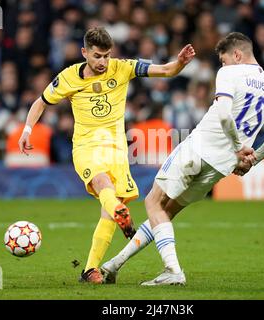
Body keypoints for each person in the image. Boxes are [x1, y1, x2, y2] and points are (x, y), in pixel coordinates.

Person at [101, 32, 264, 286]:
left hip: (199, 148)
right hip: (222, 166)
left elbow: (223, 115)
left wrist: (237, 147)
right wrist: (250, 159)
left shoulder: (230, 73)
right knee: (165, 213)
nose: (222, 65)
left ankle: (173, 270)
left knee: (154, 202)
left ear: (236, 55)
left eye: (223, 60)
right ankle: (114, 265)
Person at [18, 27, 195, 284]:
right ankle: (118, 211)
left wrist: (180, 62)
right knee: (103, 185)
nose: (103, 62)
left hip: (117, 150)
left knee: (107, 209)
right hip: (87, 146)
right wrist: (27, 129)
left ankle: (91, 268)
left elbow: (165, 70)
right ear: (84, 53)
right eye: (98, 56)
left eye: (107, 56)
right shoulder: (68, 77)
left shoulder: (122, 67)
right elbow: (41, 102)